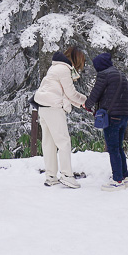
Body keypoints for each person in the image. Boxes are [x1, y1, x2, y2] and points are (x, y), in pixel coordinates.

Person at [33, 46, 88, 188]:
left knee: (49, 143)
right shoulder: (64, 69)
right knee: (63, 142)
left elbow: (64, 93)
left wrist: (81, 104)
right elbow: (71, 93)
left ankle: (51, 176)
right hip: (53, 107)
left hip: (43, 107)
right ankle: (67, 175)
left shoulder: (55, 67)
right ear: (76, 59)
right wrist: (86, 101)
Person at [84, 52, 128, 191]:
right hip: (124, 115)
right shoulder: (120, 74)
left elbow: (95, 94)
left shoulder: (104, 74)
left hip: (112, 116)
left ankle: (117, 181)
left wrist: (87, 105)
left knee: (112, 149)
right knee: (119, 148)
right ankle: (125, 177)